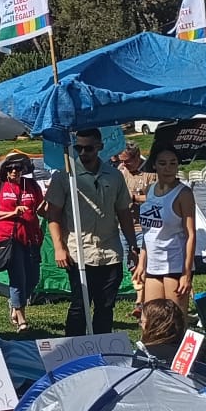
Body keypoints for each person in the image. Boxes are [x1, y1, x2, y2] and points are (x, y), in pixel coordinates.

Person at [45, 130, 134, 337]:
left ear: (100, 147)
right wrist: (59, 248)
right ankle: (75, 352)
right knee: (79, 306)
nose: (83, 152)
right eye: (78, 148)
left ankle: (104, 351)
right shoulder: (64, 176)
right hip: (79, 252)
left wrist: (133, 246)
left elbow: (123, 213)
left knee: (106, 307)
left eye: (89, 148)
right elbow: (53, 215)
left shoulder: (115, 175)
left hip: (110, 252)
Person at [133, 145, 198, 311]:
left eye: (172, 163)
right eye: (162, 163)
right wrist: (141, 263)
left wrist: (186, 273)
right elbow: (149, 233)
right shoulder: (150, 190)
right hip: (153, 265)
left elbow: (191, 235)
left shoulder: (183, 194)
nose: (168, 168)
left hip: (175, 263)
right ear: (154, 165)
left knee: (175, 319)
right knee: (153, 318)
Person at [0, 153, 43, 331]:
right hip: (9, 237)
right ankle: (21, 318)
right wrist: (12, 214)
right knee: (18, 276)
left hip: (32, 236)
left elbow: (41, 207)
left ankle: (14, 304)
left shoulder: (31, 185)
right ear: (5, 171)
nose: (14, 171)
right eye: (10, 169)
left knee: (33, 277)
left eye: (18, 169)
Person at [137, 297, 188, 366]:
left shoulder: (145, 355)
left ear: (153, 325)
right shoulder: (194, 352)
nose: (140, 325)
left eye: (142, 321)